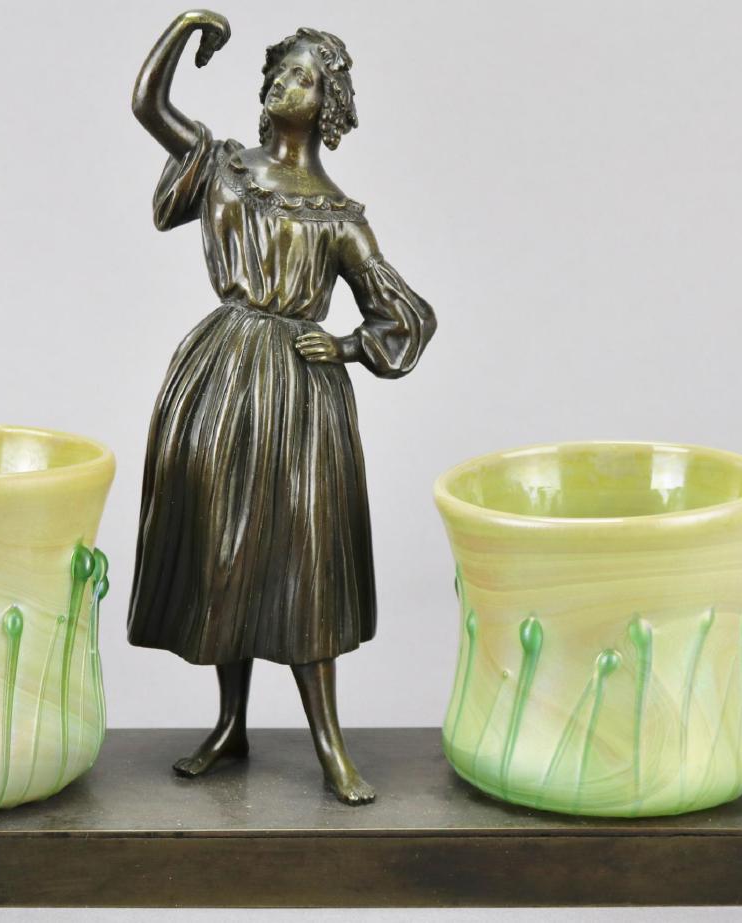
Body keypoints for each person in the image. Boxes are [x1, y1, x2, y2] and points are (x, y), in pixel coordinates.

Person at [128, 10, 436, 805]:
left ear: (329, 104)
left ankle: (329, 743)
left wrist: (351, 345)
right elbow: (148, 106)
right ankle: (230, 724)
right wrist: (187, 25)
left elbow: (402, 312)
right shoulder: (226, 168)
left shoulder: (338, 215)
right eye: (278, 73)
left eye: (303, 77)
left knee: (303, 562)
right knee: (226, 551)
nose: (284, 85)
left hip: (299, 399)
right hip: (223, 377)